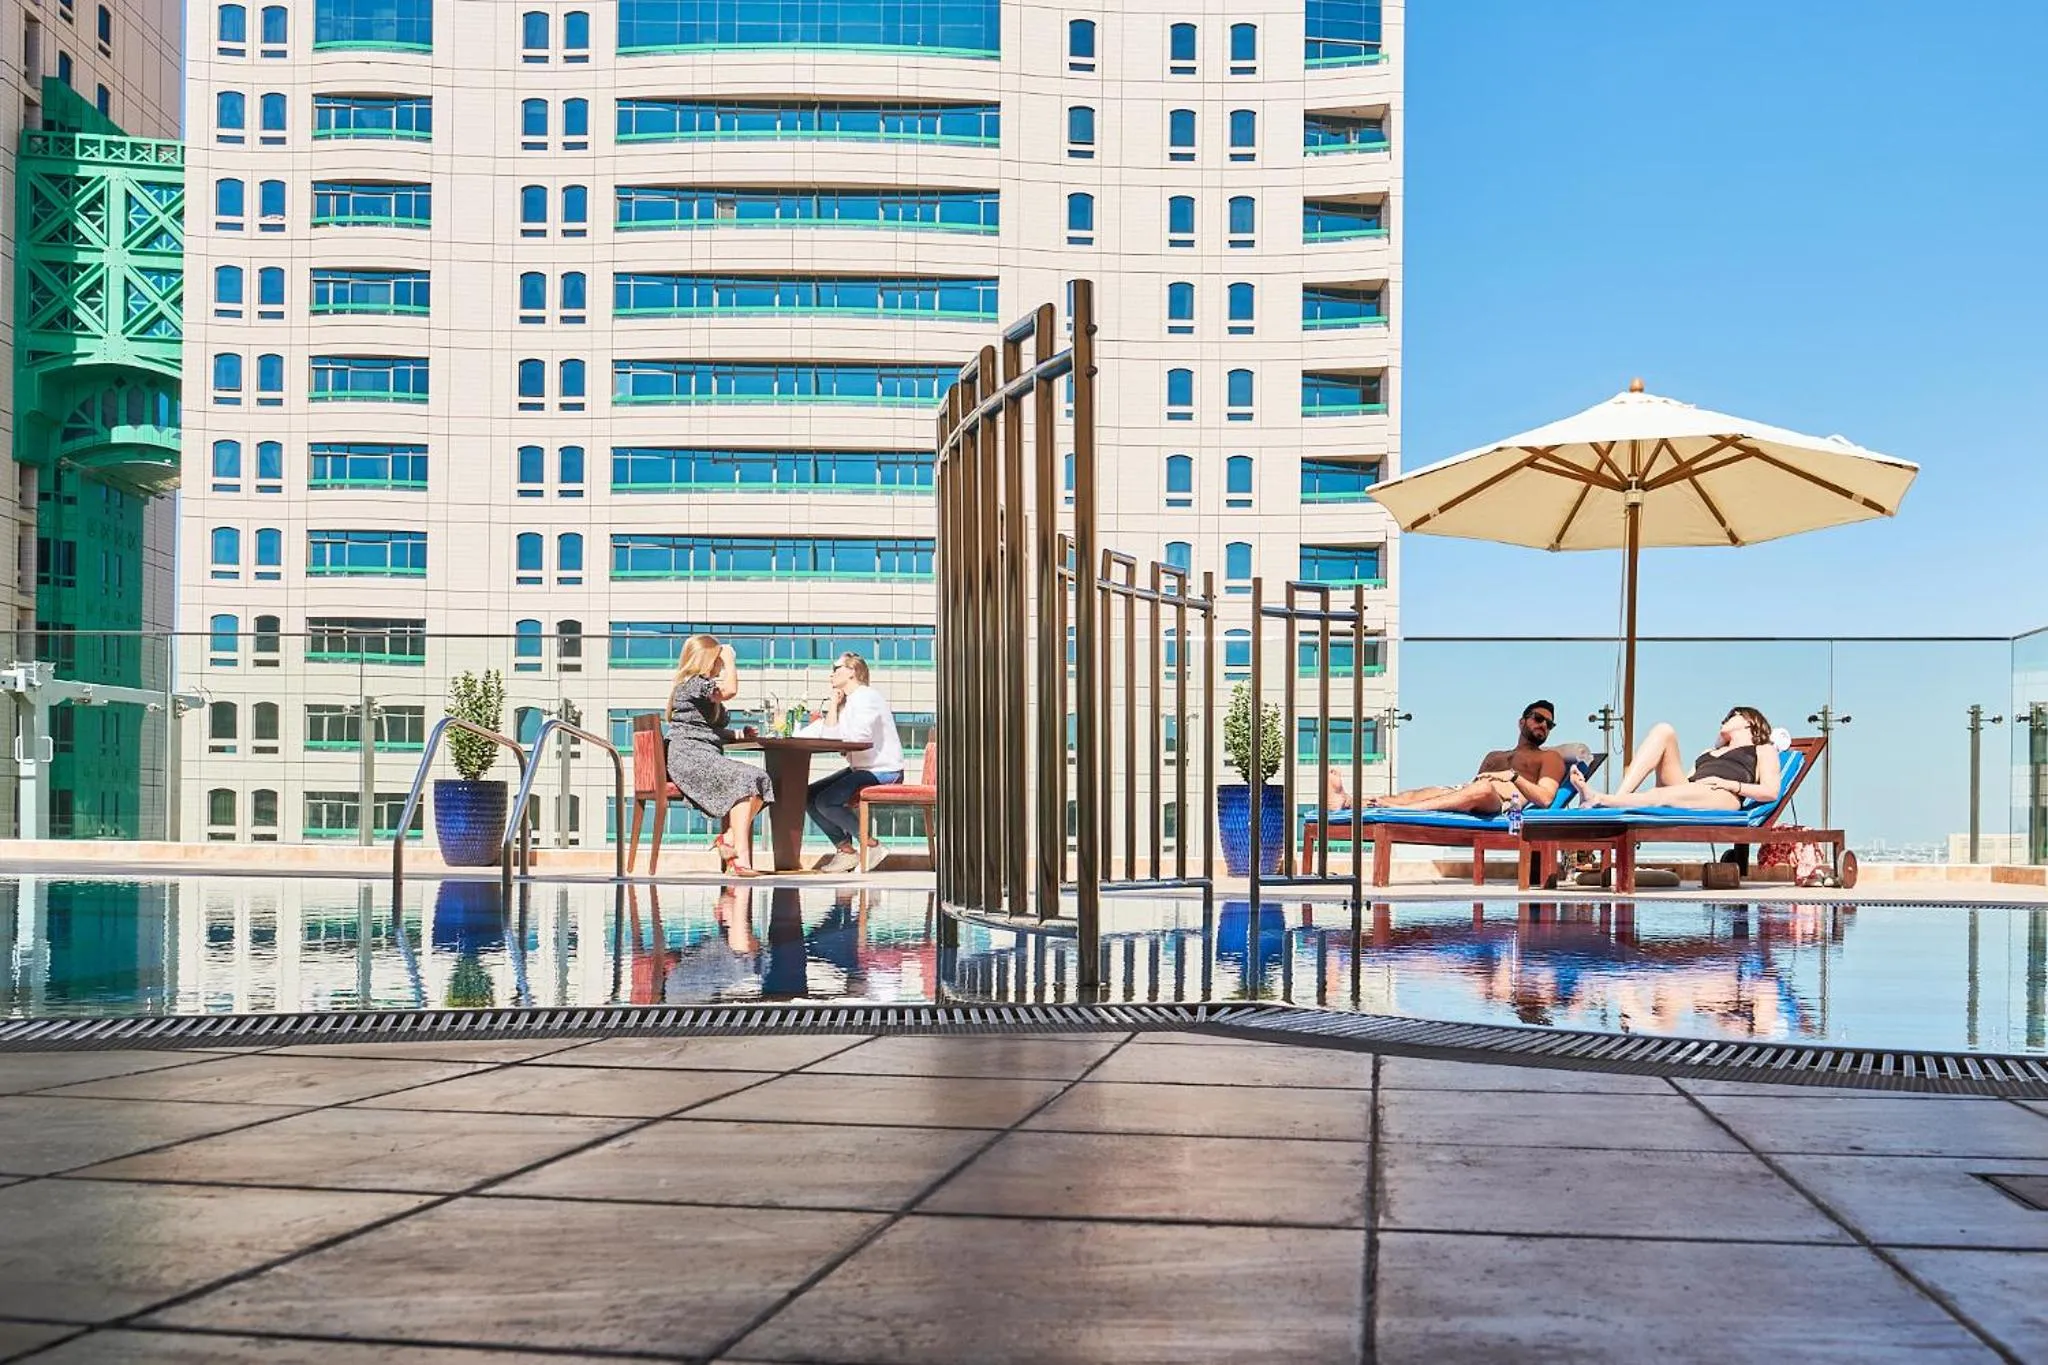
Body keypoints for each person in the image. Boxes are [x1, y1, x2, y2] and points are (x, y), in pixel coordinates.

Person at [665, 635, 774, 876]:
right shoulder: (692, 683)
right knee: (745, 780)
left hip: (705, 752)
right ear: (706, 659)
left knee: (761, 778)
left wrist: (737, 733)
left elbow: (707, 728)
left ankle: (728, 839)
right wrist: (730, 659)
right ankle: (741, 861)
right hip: (688, 756)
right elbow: (730, 690)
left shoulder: (701, 687)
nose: (721, 665)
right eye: (717, 661)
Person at [1344, 700, 1568, 816]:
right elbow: (1470, 789)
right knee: (1416, 793)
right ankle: (1352, 803)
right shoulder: (1495, 756)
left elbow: (1545, 798)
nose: (1543, 726)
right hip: (1470, 793)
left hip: (1502, 803)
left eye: (1549, 724)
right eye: (1538, 718)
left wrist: (1512, 776)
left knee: (1482, 790)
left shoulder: (1550, 758)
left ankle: (1408, 811)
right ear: (1521, 722)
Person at [796, 652, 905, 872]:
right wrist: (834, 706)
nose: (831, 674)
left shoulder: (867, 697)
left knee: (826, 801)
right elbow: (827, 734)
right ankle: (845, 851)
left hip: (883, 770)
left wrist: (842, 742)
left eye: (836, 668)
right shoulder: (848, 702)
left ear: (853, 671)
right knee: (808, 796)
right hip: (861, 768)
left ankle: (871, 845)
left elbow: (859, 737)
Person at [1570, 706, 1780, 812]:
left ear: (1748, 721)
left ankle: (1601, 800)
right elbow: (1689, 782)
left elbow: (1770, 792)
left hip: (1724, 794)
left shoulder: (1762, 749)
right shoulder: (1708, 752)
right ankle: (1618, 797)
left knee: (1660, 795)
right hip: (1695, 789)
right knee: (1664, 730)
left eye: (1731, 716)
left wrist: (1728, 784)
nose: (1723, 720)